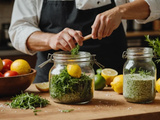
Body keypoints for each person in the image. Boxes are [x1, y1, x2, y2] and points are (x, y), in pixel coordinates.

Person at [9, 0, 160, 83]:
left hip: (111, 81)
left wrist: (121, 11)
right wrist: (51, 39)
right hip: (53, 81)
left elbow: (154, 5)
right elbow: (18, 30)